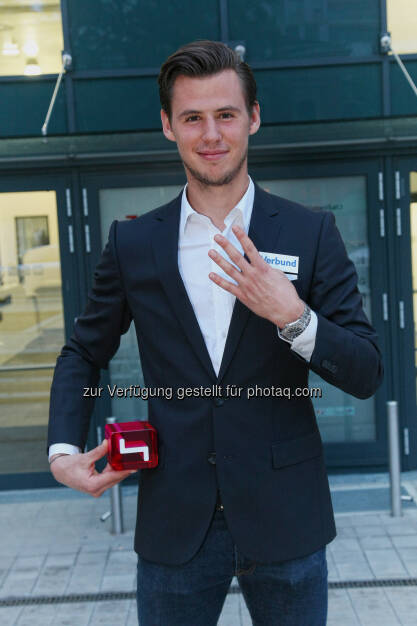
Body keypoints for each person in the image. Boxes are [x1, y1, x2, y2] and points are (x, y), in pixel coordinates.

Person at [47, 40, 383, 625]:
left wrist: (293, 316)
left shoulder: (311, 233)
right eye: (192, 117)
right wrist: (61, 451)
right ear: (167, 126)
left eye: (226, 114)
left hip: (286, 516)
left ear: (253, 117)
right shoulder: (134, 244)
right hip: (175, 517)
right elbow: (84, 350)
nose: (211, 134)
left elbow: (366, 370)